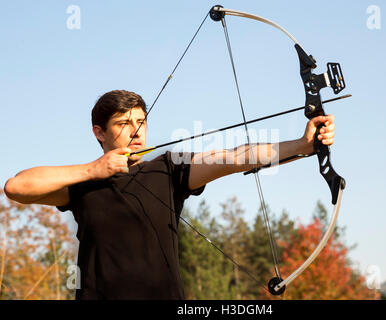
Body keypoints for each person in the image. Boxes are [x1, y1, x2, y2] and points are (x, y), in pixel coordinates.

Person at [4, 89, 336, 299]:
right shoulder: (81, 184)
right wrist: (94, 170)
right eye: (123, 123)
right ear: (99, 132)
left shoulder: (168, 168)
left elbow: (236, 157)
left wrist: (303, 145)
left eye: (141, 121)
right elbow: (15, 187)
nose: (136, 130)